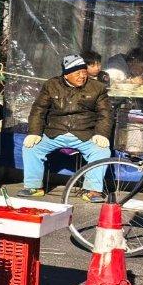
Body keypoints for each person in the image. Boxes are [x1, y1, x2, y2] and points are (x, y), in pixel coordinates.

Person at [20, 53, 111, 200]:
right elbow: (39, 109)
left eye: (84, 72)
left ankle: (93, 191)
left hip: (84, 133)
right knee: (31, 147)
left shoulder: (97, 88)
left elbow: (105, 114)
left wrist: (101, 133)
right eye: (77, 73)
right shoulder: (51, 85)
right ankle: (33, 186)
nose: (82, 76)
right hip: (54, 132)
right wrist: (34, 132)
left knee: (101, 151)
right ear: (66, 75)